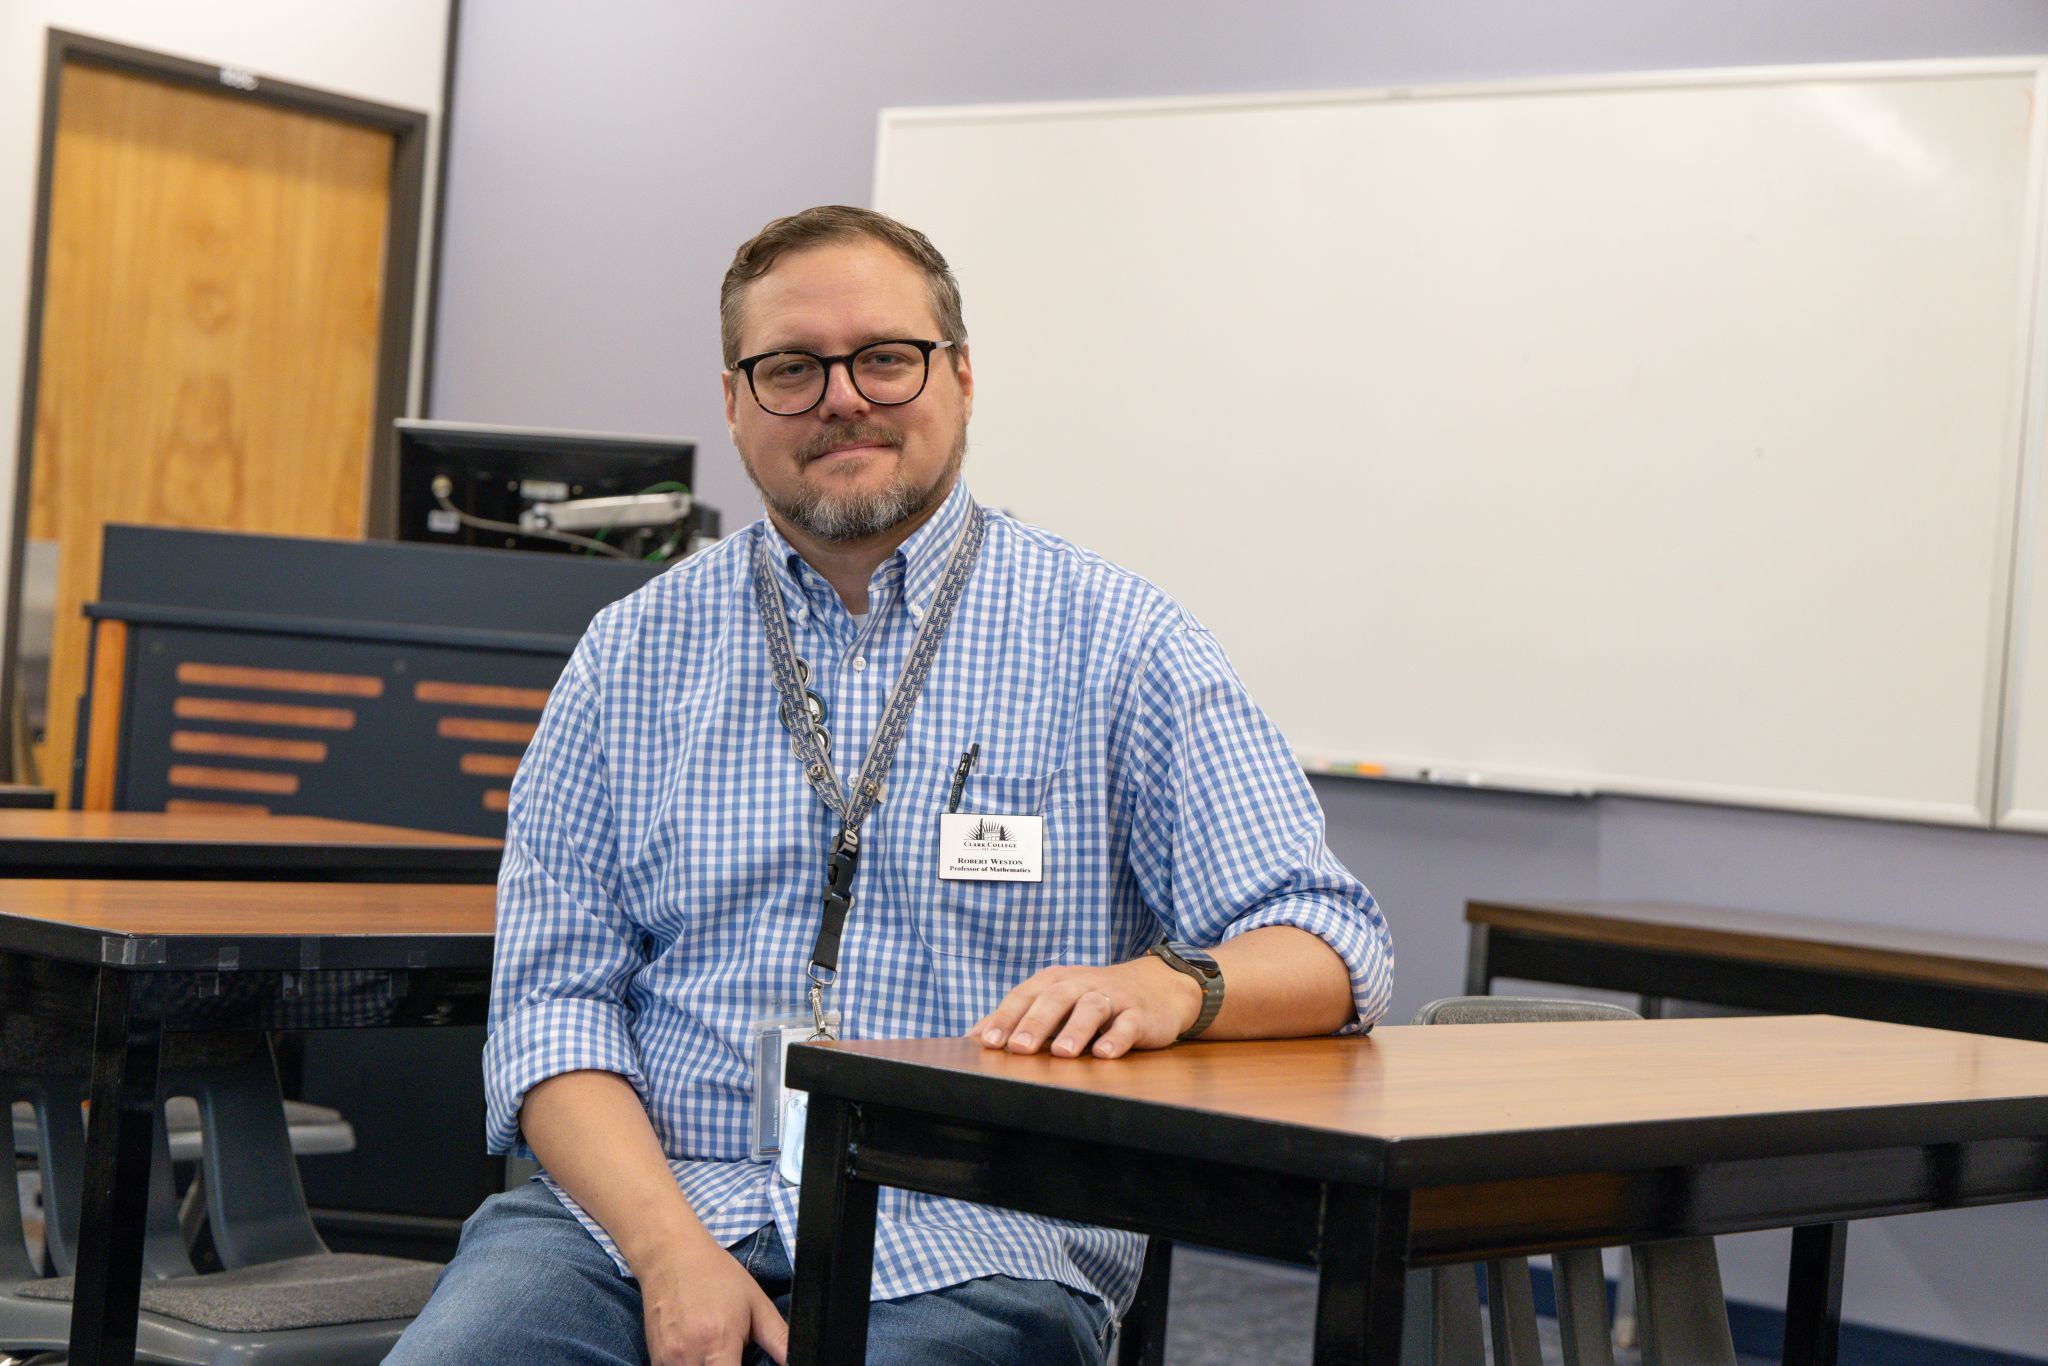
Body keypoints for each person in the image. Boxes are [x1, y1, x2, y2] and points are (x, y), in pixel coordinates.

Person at [387, 205, 1393, 1366]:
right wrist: (670, 1252)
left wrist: (1172, 985)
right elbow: (550, 1011)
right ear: (731, 403)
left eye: (884, 357)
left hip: (975, 1243)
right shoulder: (627, 657)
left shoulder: (1120, 643)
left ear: (960, 378)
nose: (840, 397)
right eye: (789, 369)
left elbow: (1331, 940)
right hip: (630, 1226)